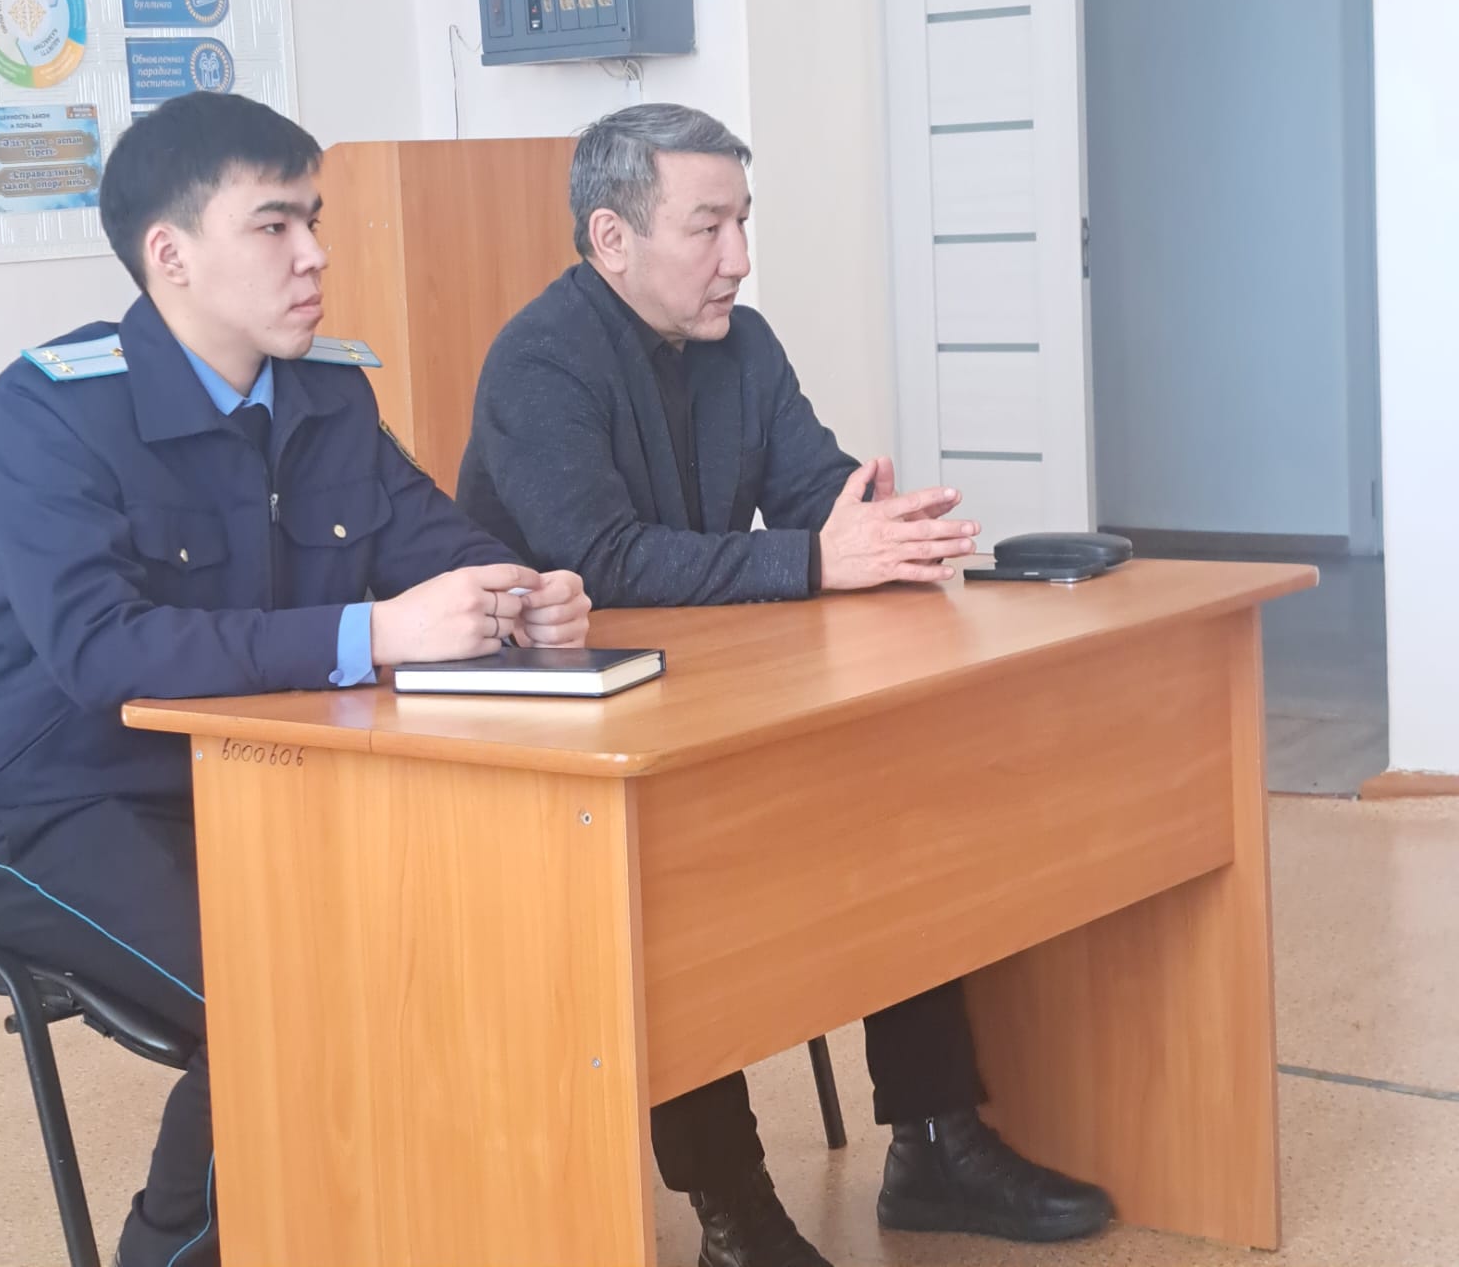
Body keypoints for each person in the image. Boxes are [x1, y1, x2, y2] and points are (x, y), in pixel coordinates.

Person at [0, 91, 591, 1267]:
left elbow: (443, 549)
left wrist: (524, 594)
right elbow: (103, 652)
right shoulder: (49, 412)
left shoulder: (326, 391)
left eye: (313, 219)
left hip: (253, 782)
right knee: (289, 1005)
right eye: (275, 225)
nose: (315, 254)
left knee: (468, 949)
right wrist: (375, 632)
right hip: (48, 807)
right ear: (170, 255)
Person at [457, 103, 1113, 1267]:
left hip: (708, 695)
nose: (739, 258)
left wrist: (880, 527)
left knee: (897, 791)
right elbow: (601, 561)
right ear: (612, 239)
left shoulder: (743, 345)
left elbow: (816, 492)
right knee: (677, 881)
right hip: (563, 745)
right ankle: (734, 1212)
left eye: (744, 223)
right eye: (708, 227)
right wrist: (815, 558)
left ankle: (935, 1142)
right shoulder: (537, 361)